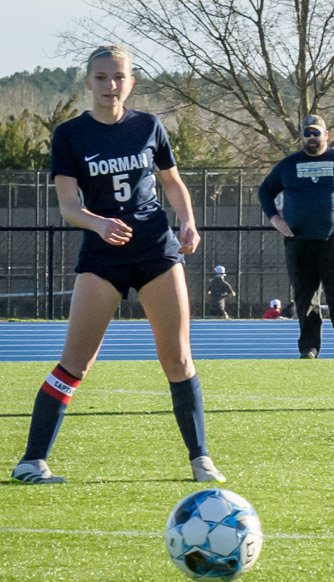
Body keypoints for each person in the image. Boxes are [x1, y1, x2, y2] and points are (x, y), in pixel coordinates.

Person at [10, 45, 223, 484]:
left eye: (119, 77)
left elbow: (172, 182)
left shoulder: (149, 125)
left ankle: (201, 460)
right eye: (102, 77)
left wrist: (188, 222)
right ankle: (32, 461)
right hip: (103, 256)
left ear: (131, 81)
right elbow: (69, 206)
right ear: (87, 81)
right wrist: (98, 224)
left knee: (178, 358)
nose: (111, 85)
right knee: (76, 362)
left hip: (155, 252)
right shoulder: (70, 134)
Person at [257, 114, 334, 359]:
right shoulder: (288, 165)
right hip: (298, 241)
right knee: (305, 296)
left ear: (326, 134)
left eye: (316, 133)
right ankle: (309, 348)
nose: (312, 138)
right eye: (307, 133)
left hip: (332, 240)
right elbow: (265, 191)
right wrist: (274, 218)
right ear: (302, 136)